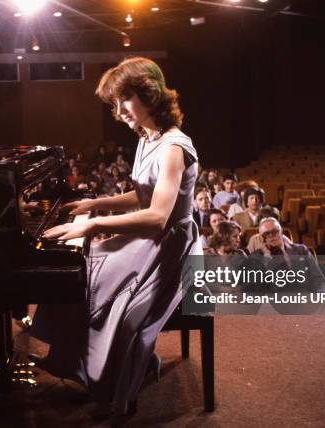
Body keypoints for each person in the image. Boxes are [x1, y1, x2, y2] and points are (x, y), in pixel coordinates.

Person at [29, 56, 200, 419]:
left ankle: (117, 377)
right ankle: (77, 363)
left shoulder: (173, 148)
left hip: (172, 247)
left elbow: (157, 217)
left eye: (124, 99)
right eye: (114, 102)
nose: (118, 110)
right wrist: (95, 203)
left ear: (149, 95)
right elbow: (143, 196)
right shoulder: (145, 139)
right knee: (78, 270)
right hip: (150, 239)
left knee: (117, 305)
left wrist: (93, 225)